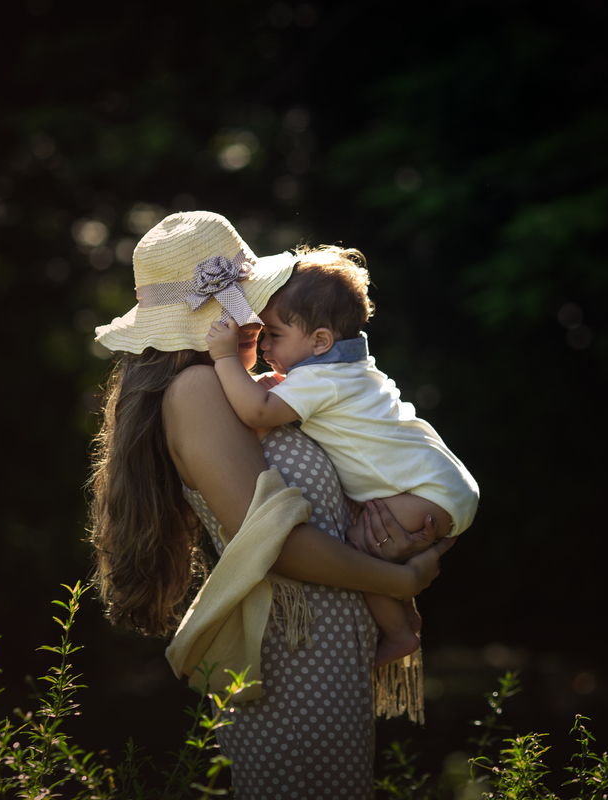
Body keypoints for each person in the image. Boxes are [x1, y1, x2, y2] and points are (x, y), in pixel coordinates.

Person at [89, 210, 454, 798]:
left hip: (323, 643)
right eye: (245, 301)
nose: (257, 315)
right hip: (295, 650)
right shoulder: (200, 389)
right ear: (211, 316)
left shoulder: (249, 390)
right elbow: (277, 544)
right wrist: (400, 576)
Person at [205, 246, 479, 667]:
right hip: (442, 485)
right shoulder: (342, 370)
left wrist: (225, 358)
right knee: (375, 543)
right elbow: (271, 395)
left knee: (361, 549)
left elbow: (257, 412)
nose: (263, 345)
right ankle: (404, 614)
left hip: (427, 493)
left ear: (320, 341)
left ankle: (400, 633)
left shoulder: (319, 380)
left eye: (274, 334)